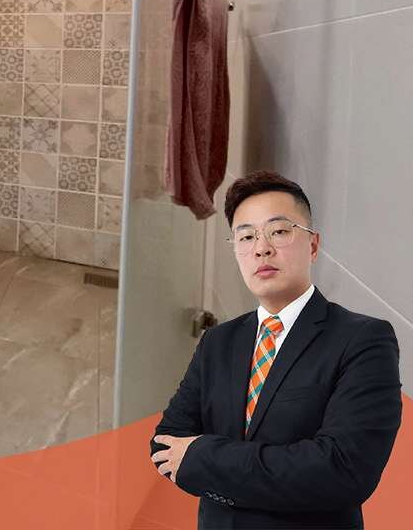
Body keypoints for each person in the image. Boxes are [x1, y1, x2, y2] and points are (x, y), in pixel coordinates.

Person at [150, 170, 402, 529]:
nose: (261, 248)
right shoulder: (218, 342)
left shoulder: (362, 340)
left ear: (313, 245)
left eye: (279, 231)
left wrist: (203, 456)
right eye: (246, 236)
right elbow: (166, 444)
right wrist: (279, 469)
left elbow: (344, 471)